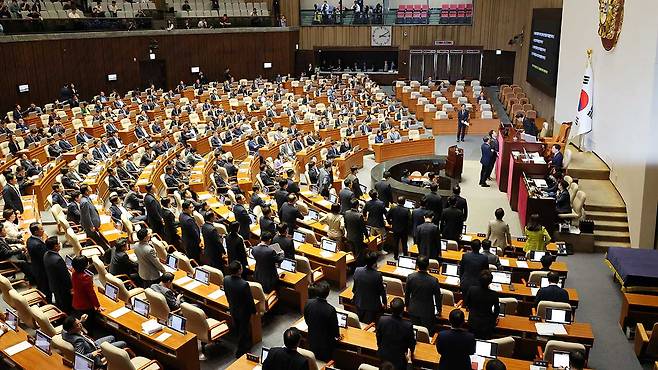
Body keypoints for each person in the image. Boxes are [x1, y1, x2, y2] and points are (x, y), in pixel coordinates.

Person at [62, 315, 128, 368]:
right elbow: (80, 358)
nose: (80, 325)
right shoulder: (79, 341)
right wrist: (93, 353)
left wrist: (81, 321)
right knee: (123, 343)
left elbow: (74, 326)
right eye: (77, 325)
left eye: (79, 322)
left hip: (92, 344)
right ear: (71, 329)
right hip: (96, 353)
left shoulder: (64, 331)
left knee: (112, 337)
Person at [224, 261, 256, 358]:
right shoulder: (244, 284)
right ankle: (241, 350)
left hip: (233, 308)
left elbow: (226, 293)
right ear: (239, 271)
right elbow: (249, 300)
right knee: (243, 329)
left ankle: (243, 343)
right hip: (243, 311)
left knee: (238, 327)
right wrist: (254, 311)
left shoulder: (226, 279)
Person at [303, 281, 339, 361]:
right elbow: (334, 329)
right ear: (328, 293)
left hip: (311, 338)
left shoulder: (308, 303)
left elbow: (306, 319)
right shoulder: (330, 309)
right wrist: (338, 335)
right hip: (325, 344)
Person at [376, 297, 416, 370]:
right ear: (403, 310)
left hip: (384, 356)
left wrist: (380, 347)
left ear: (390, 309)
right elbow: (411, 344)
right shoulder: (408, 326)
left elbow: (378, 337)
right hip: (400, 360)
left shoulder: (382, 320)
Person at [406, 256, 442, 334]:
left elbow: (407, 294)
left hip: (413, 309)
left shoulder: (410, 277)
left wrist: (407, 306)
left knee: (415, 332)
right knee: (427, 333)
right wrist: (439, 310)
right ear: (428, 265)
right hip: (427, 312)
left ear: (417, 265)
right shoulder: (433, 280)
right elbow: (437, 297)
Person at [352, 251, 386, 323]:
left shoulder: (357, 270)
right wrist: (385, 303)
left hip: (359, 302)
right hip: (372, 306)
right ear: (374, 263)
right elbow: (381, 291)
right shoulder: (377, 275)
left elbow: (354, 288)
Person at [464, 270, 499, 339]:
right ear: (490, 282)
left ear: (478, 279)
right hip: (487, 325)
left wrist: (472, 310)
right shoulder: (494, 294)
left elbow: (467, 303)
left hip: (473, 322)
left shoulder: (472, 289)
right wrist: (493, 319)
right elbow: (497, 310)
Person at [71, 256, 101, 334]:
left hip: (76, 301)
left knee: (83, 320)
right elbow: (91, 294)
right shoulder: (86, 278)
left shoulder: (74, 272)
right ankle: (90, 335)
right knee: (89, 324)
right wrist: (98, 305)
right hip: (85, 305)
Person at [44, 236, 72, 313]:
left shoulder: (46, 254)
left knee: (59, 302)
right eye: (58, 243)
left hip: (53, 284)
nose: (60, 244)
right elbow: (65, 277)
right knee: (66, 305)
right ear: (55, 246)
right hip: (62, 288)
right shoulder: (58, 260)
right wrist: (71, 287)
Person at [27, 222, 51, 301]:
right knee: (46, 289)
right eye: (41, 229)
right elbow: (46, 256)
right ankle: (48, 304)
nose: (43, 230)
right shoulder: (38, 245)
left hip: (36, 267)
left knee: (42, 287)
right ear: (36, 232)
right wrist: (45, 242)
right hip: (42, 270)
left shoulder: (29, 239)